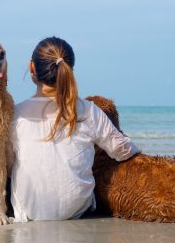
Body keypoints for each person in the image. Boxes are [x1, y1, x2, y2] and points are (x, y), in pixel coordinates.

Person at [10, 36, 140, 222]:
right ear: (69, 70)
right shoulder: (88, 110)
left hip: (28, 212)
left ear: (32, 68)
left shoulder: (17, 113)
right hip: (77, 209)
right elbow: (122, 150)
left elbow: (7, 164)